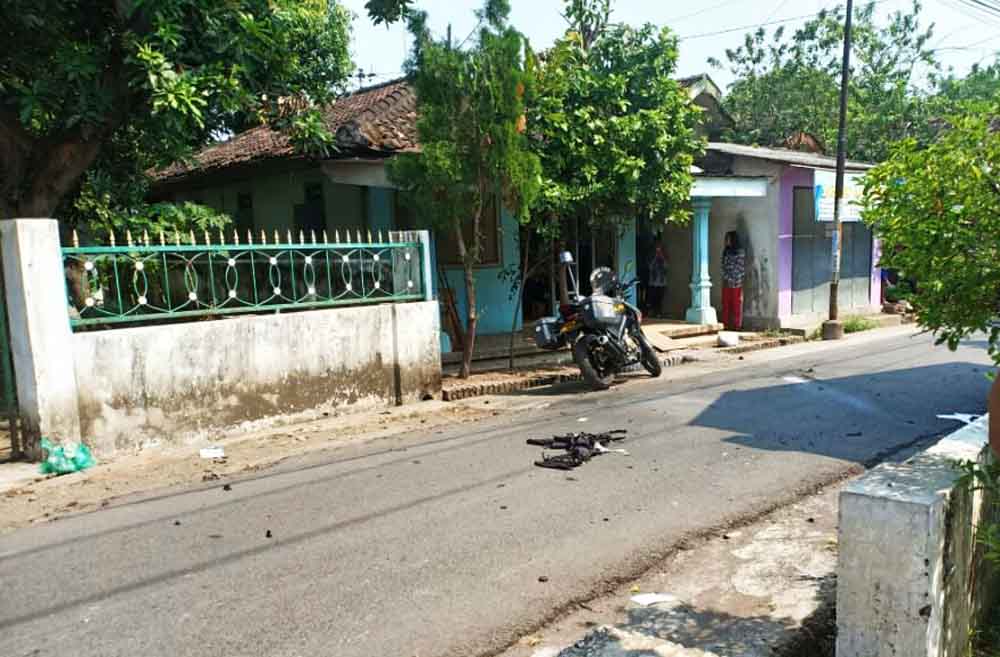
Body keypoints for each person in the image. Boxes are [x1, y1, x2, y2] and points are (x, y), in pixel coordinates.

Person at [721, 231, 746, 330]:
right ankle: (725, 324)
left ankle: (737, 325)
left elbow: (740, 268)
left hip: (736, 282)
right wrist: (726, 277)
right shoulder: (726, 251)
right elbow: (723, 266)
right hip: (726, 281)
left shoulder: (740, 252)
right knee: (725, 304)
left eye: (728, 239)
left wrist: (733, 278)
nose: (726, 241)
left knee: (736, 304)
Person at [646, 239, 667, 318]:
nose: (658, 250)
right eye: (657, 248)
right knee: (652, 299)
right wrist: (655, 256)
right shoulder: (651, 256)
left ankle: (659, 313)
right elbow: (650, 267)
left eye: (659, 248)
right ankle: (652, 313)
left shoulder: (664, 257)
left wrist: (661, 256)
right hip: (653, 282)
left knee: (660, 299)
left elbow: (666, 266)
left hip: (662, 283)